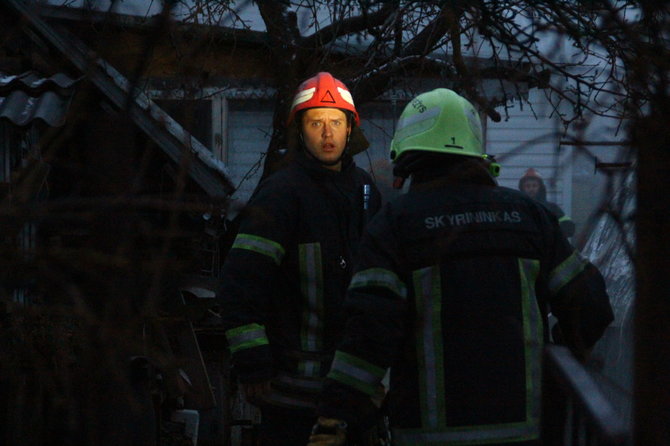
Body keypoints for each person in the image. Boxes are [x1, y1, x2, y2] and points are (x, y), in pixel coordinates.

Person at [309, 88, 613, 446]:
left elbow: (369, 333)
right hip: (525, 435)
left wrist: (336, 414)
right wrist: (552, 358)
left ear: (407, 157)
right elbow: (591, 307)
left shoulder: (394, 224)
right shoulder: (530, 217)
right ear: (476, 154)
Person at [217, 72, 382, 446]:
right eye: (316, 122)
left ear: (350, 129)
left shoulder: (366, 191)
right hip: (291, 396)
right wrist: (253, 363)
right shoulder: (281, 195)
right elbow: (239, 283)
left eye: (336, 122)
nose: (328, 134)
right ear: (300, 131)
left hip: (352, 388)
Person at [518, 168, 576, 238]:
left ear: (540, 188)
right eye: (528, 186)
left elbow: (569, 228)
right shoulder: (517, 208)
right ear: (522, 188)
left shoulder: (551, 208)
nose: (531, 189)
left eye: (534, 185)